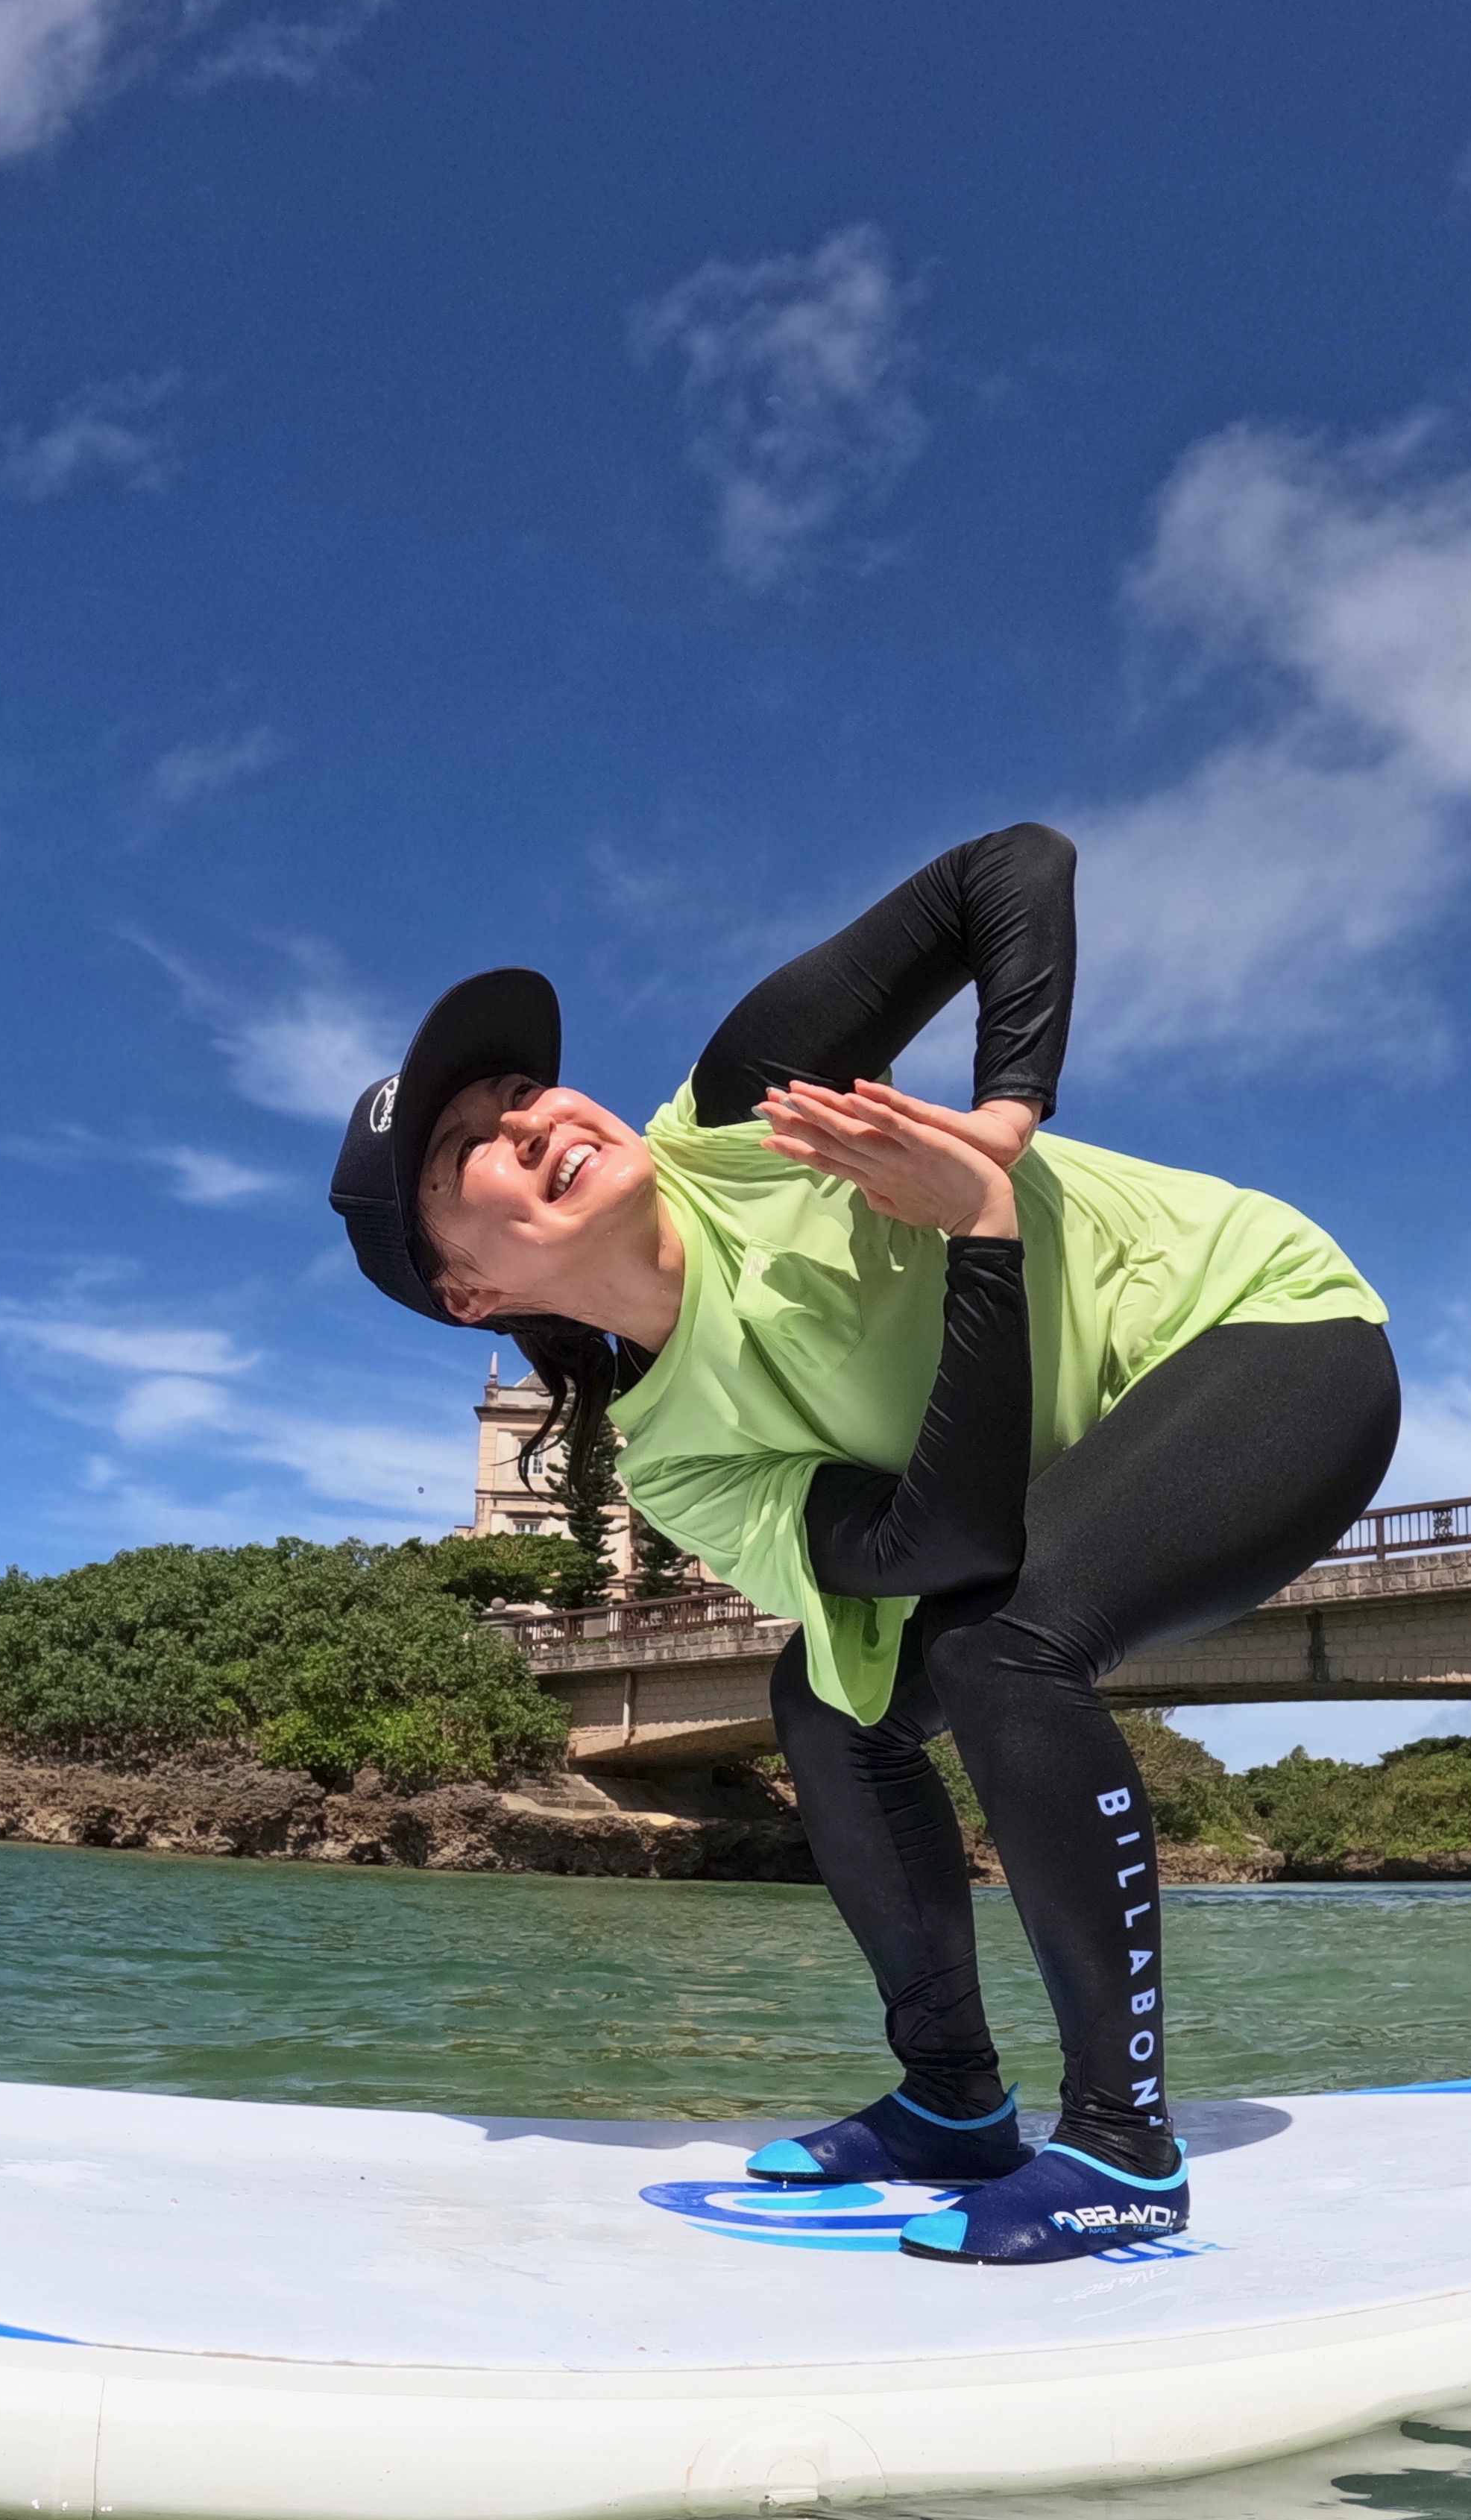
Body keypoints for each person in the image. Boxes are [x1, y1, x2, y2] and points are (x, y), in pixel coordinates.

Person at [328, 826, 1396, 2266]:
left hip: (1270, 1332)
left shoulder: (735, 1114)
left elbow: (1010, 870)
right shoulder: (685, 1461)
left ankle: (1124, 2148)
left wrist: (1002, 1131)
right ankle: (956, 2100)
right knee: (827, 1700)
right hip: (1057, 1456)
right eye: (474, 1154)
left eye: (522, 1092)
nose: (532, 1122)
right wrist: (982, 1241)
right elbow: (933, 1538)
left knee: (1008, 1655)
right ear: (467, 1290)